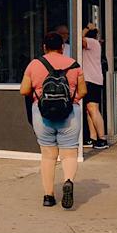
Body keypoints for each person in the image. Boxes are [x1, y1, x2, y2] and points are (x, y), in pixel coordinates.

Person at [21, 32, 86, 209]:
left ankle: (48, 196)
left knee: (48, 156)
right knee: (69, 153)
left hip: (42, 114)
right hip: (70, 113)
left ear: (44, 47)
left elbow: (24, 90)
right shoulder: (74, 65)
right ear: (62, 47)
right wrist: (72, 98)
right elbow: (83, 91)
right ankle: (68, 180)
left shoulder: (35, 64)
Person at [81, 25, 107, 148]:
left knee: (93, 108)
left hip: (91, 80)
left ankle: (102, 138)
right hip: (92, 80)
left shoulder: (92, 42)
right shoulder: (95, 43)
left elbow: (79, 40)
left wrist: (85, 28)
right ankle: (93, 137)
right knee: (89, 110)